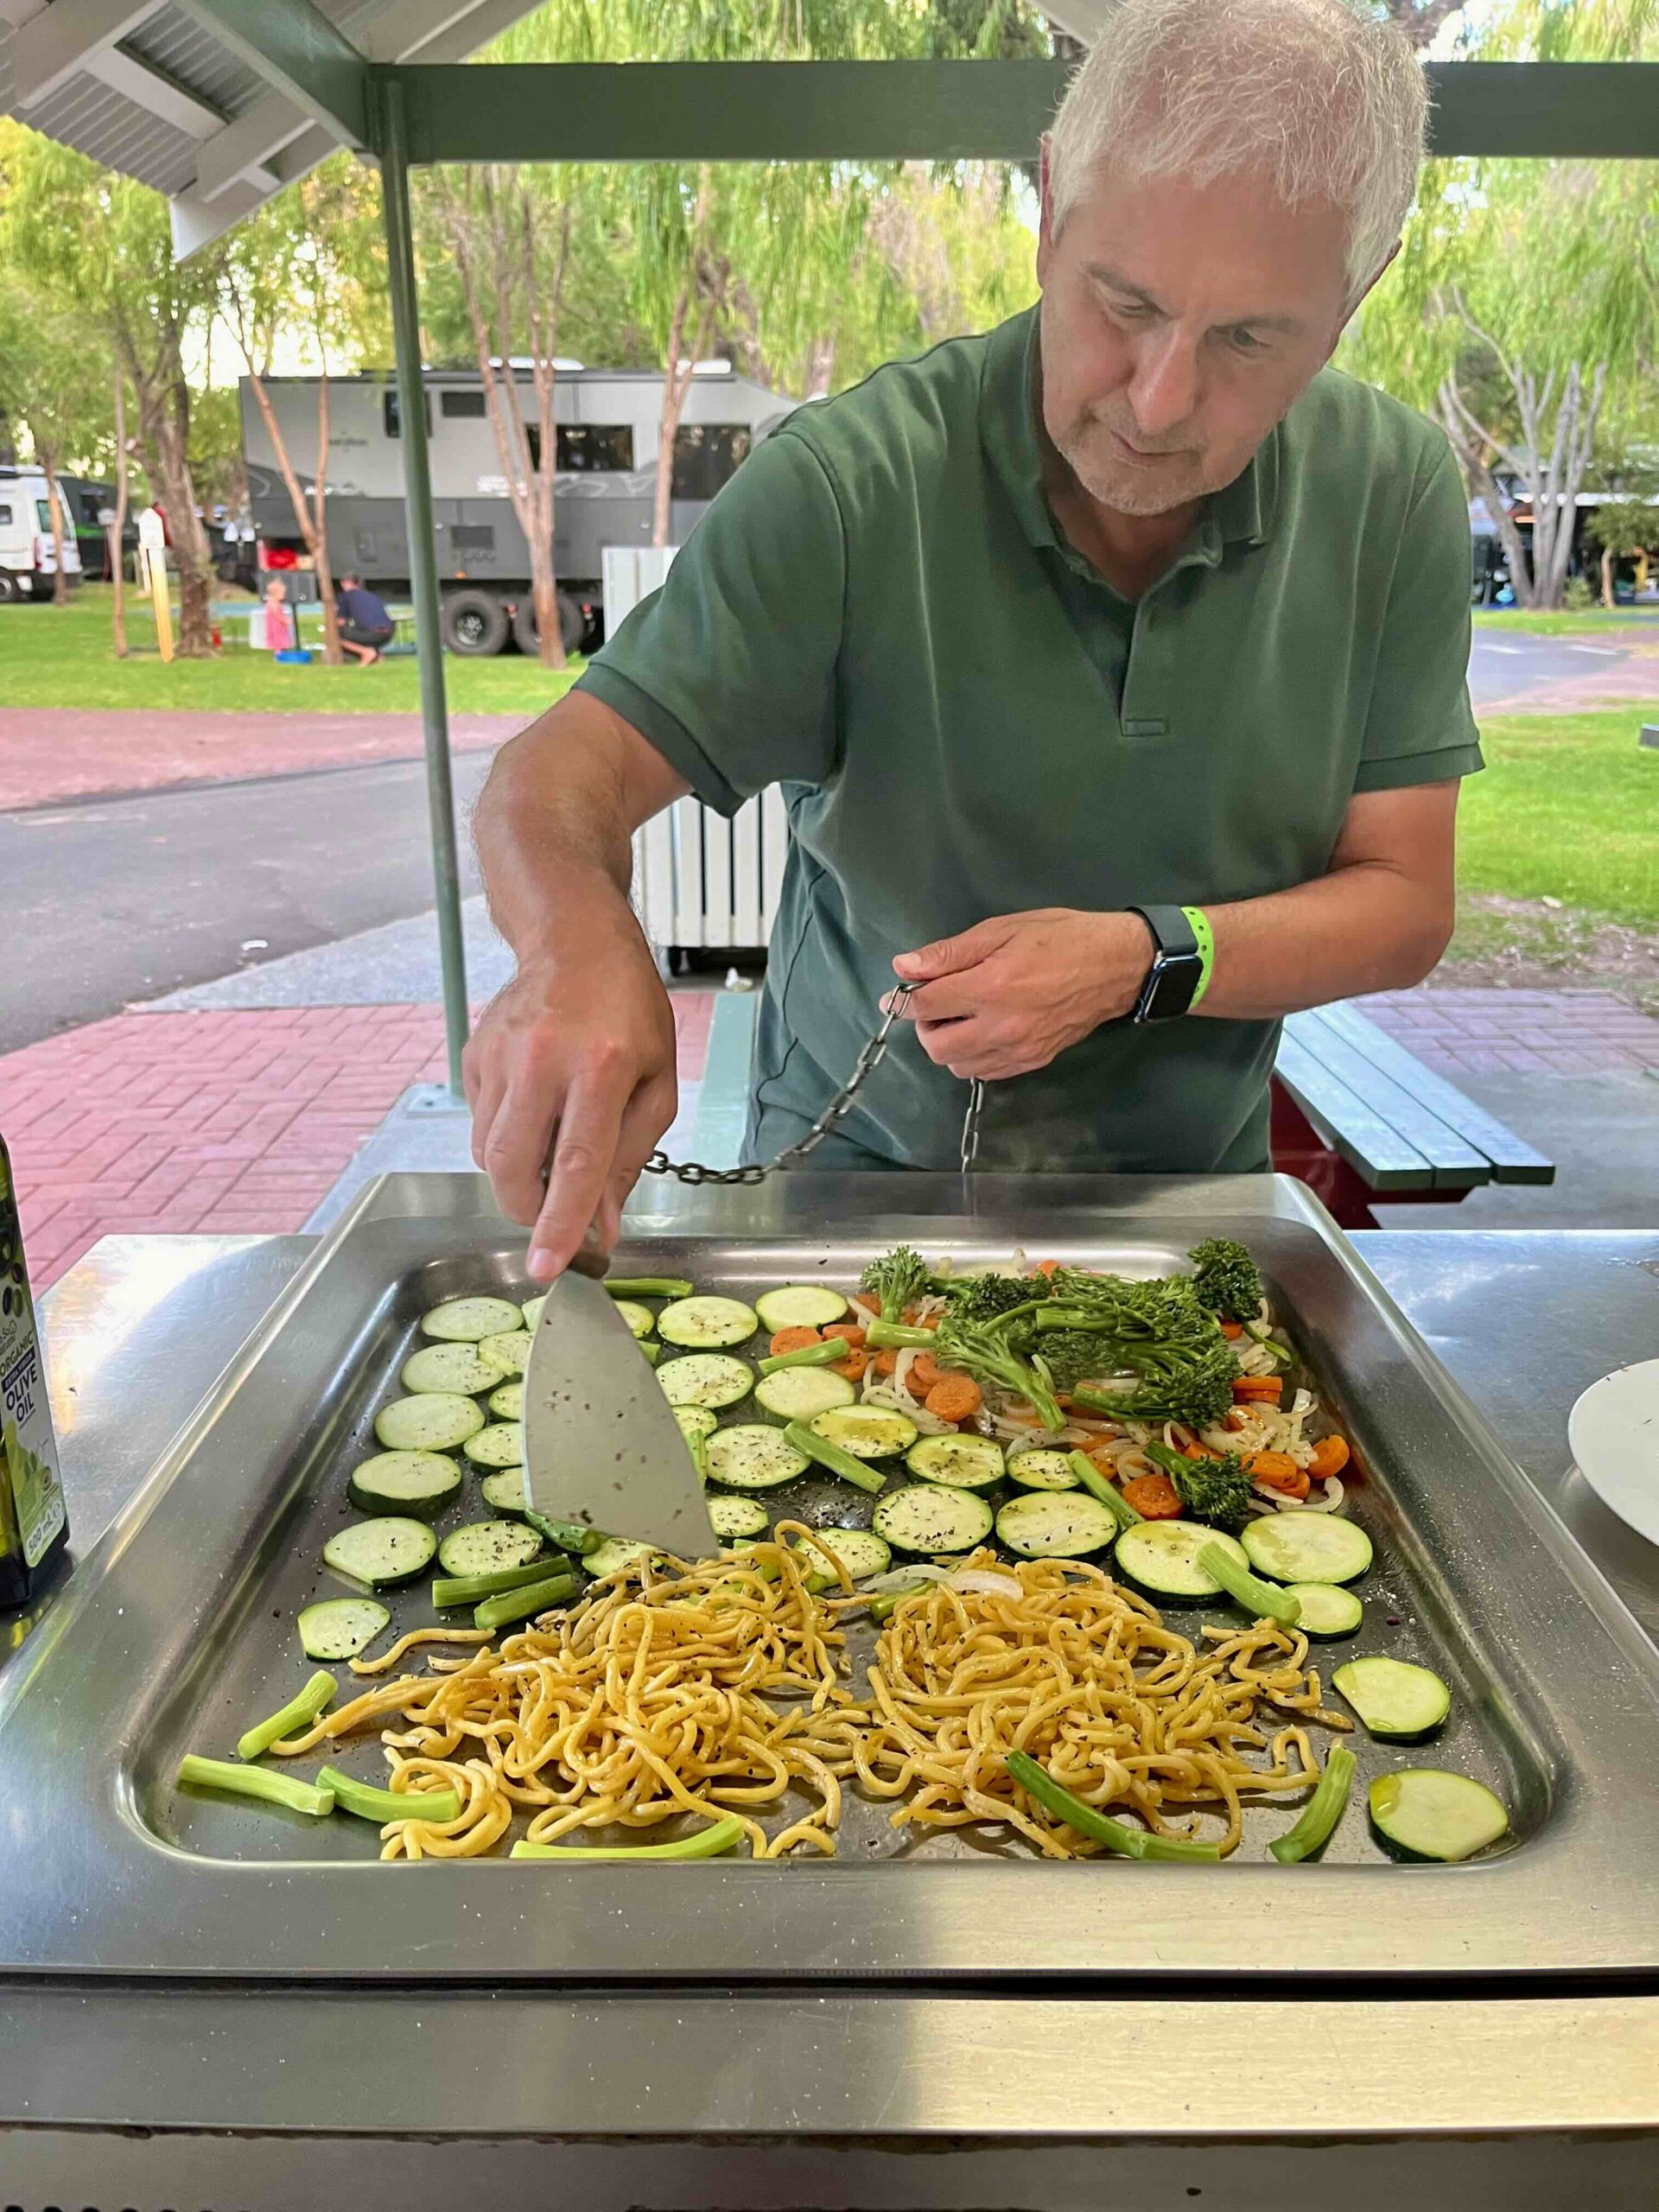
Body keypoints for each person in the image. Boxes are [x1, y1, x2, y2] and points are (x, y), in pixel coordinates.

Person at [466, 0, 1483, 1280]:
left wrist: (1138, 961)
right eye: (1124, 303)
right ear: (1052, 204)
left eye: (1248, 338)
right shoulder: (849, 488)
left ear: (1355, 296)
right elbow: (557, 776)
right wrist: (575, 943)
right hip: (849, 1208)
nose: (1160, 401)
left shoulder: (1392, 492)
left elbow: (1404, 905)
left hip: (1187, 1221)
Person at [334, 572, 395, 665]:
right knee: (360, 629)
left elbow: (340, 622)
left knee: (335, 633)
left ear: (345, 583)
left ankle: (366, 652)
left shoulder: (345, 597)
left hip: (372, 633)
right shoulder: (371, 595)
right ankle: (378, 656)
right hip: (388, 633)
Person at [258, 576, 294, 653]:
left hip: (277, 626)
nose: (284, 595)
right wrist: (286, 621)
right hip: (277, 627)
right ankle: (279, 654)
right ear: (275, 594)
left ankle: (281, 653)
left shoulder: (272, 602)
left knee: (280, 643)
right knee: (279, 642)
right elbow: (278, 615)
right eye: (283, 593)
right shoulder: (274, 603)